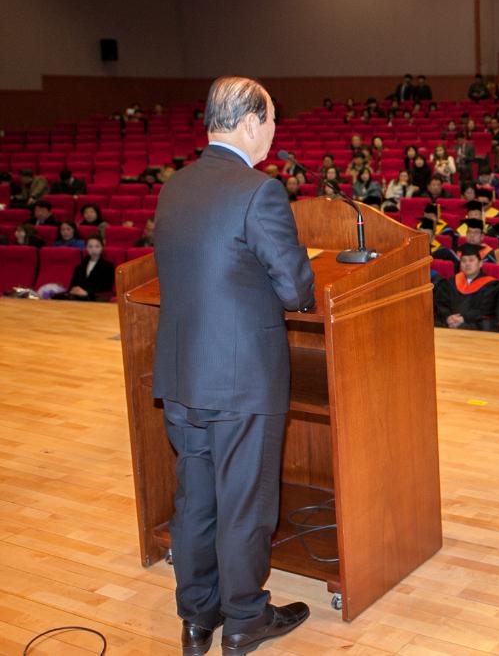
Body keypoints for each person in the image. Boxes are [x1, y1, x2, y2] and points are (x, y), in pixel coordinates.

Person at [151, 76, 315, 655]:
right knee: (245, 501)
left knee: (196, 500)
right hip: (241, 378)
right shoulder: (258, 192)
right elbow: (296, 289)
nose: (275, 132)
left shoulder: (175, 188)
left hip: (181, 374)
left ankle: (197, 619)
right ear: (249, 121)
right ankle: (245, 620)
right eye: (271, 120)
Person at [436, 243, 499, 328]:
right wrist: (448, 317)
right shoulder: (450, 282)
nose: (467, 264)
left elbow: (486, 309)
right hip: (450, 323)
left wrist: (463, 319)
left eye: (471, 260)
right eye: (463, 260)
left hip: (474, 325)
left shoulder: (491, 285)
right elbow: (442, 304)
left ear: (480, 264)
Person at [55, 235, 115, 301]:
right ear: (86, 248)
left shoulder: (108, 266)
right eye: (90, 246)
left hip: (95, 299)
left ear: (102, 248)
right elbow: (72, 286)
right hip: (77, 298)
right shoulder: (79, 267)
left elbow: (106, 288)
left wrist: (86, 292)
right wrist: (75, 290)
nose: (93, 249)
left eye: (97, 246)